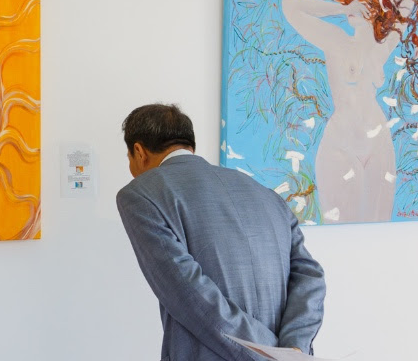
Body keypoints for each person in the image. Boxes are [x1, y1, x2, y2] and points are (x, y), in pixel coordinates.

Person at [116, 103, 326, 361]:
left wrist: (269, 356)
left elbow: (188, 295)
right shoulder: (265, 193)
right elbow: (310, 276)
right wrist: (293, 349)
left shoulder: (141, 194)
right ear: (190, 146)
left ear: (139, 151)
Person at [281, 0, 415, 223]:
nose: (356, 4)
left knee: (379, 224)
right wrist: (342, 9)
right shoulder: (335, 40)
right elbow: (289, 5)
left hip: (378, 142)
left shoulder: (382, 46)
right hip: (341, 144)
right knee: (340, 224)